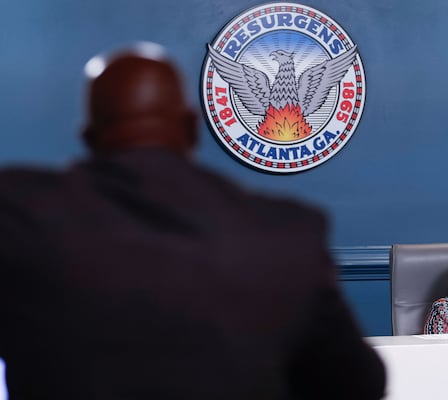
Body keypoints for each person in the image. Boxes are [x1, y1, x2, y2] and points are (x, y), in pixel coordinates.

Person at [0, 42, 385, 399]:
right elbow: (358, 384)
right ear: (190, 128)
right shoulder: (286, 235)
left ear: (87, 136)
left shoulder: (18, 217)